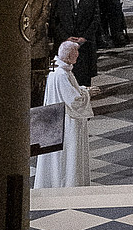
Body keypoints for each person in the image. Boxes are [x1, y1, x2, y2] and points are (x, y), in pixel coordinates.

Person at [34, 40, 94, 189]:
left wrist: (82, 88)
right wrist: (88, 93)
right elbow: (74, 101)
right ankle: (68, 185)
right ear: (68, 55)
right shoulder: (61, 74)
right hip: (66, 121)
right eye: (76, 53)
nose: (78, 55)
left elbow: (68, 92)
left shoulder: (61, 69)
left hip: (56, 118)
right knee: (67, 157)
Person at [49, 0, 99, 88]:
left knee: (83, 85)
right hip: (65, 47)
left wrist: (84, 37)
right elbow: (54, 21)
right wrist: (66, 38)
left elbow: (96, 18)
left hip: (84, 47)